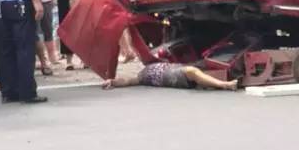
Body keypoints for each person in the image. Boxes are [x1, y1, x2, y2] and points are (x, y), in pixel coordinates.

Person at [102, 62, 239, 91]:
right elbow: (128, 80)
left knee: (194, 69)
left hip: (175, 70)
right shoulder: (142, 75)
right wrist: (113, 82)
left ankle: (219, 82)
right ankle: (225, 84)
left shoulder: (146, 69)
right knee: (191, 71)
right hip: (173, 75)